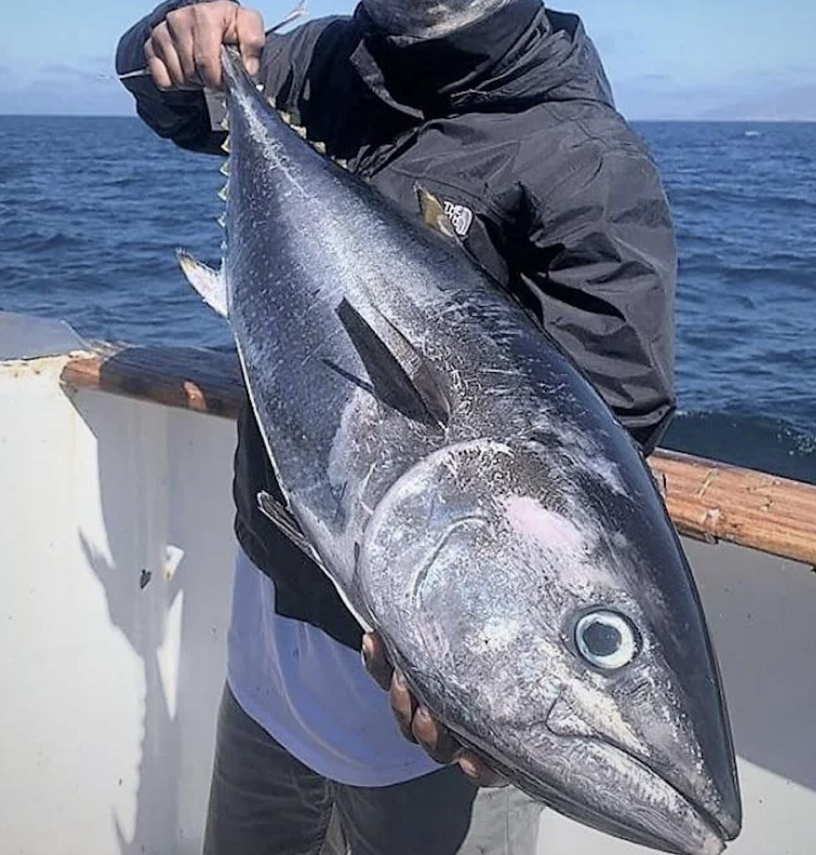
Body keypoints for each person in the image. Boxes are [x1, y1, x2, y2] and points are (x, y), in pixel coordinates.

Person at [117, 1, 678, 852]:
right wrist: (173, 33)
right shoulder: (328, 59)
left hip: (415, 722)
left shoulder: (586, 166)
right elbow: (167, 102)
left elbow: (600, 463)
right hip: (267, 633)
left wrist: (500, 700)